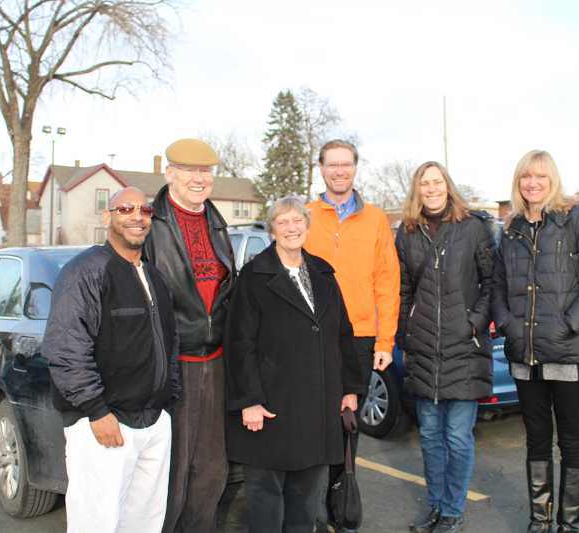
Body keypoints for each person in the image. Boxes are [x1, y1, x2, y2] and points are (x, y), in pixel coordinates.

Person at [224, 196, 366, 533]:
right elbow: (239, 343)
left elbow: (343, 333)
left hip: (317, 407)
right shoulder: (254, 276)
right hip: (270, 406)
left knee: (305, 501)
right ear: (272, 230)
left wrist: (350, 389)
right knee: (266, 500)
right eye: (282, 221)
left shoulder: (323, 273)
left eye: (297, 220)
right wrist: (249, 401)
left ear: (307, 225)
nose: (291, 227)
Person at [492, 150, 579, 533]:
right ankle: (540, 521)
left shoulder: (575, 219)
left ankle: (569, 524)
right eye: (526, 176)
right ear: (518, 182)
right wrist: (508, 324)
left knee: (572, 441)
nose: (533, 183)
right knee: (537, 440)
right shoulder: (510, 229)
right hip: (525, 355)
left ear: (552, 180)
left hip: (570, 353)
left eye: (540, 176)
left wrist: (570, 323)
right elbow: (497, 285)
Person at [45, 186, 180, 533]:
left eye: (145, 210)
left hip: (153, 421)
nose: (137, 216)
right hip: (105, 423)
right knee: (97, 522)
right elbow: (66, 347)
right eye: (125, 209)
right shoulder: (87, 271)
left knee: (145, 522)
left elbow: (169, 342)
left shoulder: (155, 276)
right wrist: (96, 410)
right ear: (107, 216)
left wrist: (169, 399)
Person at [304, 139, 400, 532]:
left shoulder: (375, 219)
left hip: (359, 338)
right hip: (312, 336)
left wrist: (385, 341)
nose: (339, 171)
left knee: (347, 426)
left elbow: (387, 282)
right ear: (321, 168)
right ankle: (311, 513)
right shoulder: (306, 216)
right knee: (312, 425)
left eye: (346, 164)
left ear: (355, 168)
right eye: (332, 164)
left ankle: (341, 510)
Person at [395, 161, 495, 533]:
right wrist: (405, 331)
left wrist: (474, 323)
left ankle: (453, 510)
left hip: (463, 348)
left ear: (447, 186)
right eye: (425, 183)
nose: (431, 189)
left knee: (457, 436)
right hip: (423, 347)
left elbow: (492, 282)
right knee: (429, 437)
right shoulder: (407, 231)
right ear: (417, 189)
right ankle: (436, 507)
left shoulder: (472, 227)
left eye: (437, 182)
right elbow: (403, 289)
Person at [143, 138, 236, 533]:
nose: (199, 179)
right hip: (172, 362)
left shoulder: (217, 223)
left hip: (215, 361)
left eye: (205, 172)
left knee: (211, 468)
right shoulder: (150, 224)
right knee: (170, 470)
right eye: (189, 171)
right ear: (170, 174)